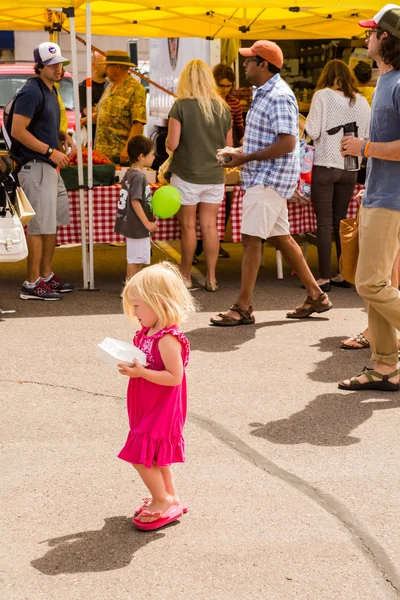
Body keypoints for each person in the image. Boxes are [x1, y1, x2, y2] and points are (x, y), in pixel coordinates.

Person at [210, 40, 332, 325]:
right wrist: (237, 153)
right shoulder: (266, 93)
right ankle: (316, 295)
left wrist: (243, 158)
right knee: (281, 237)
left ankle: (242, 307)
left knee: (252, 240)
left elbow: (288, 143)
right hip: (268, 179)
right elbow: (270, 141)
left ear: (263, 64)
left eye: (250, 60)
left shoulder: (277, 95)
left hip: (268, 180)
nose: (245, 65)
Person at [339, 4, 400, 391]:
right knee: (374, 283)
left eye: (372, 32)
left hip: (389, 198)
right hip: (379, 194)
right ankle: (384, 366)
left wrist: (365, 148)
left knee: (370, 284)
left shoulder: (396, 84)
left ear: (387, 39)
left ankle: (386, 364)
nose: (366, 37)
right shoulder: (386, 81)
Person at [117, 261, 196, 530]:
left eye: (138, 306)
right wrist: (133, 367)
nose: (134, 312)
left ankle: (161, 499)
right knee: (155, 456)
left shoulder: (168, 339)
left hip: (162, 407)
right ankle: (169, 497)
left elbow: (175, 377)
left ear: (158, 302)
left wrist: (142, 374)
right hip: (147, 402)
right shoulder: (147, 333)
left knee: (140, 455)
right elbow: (148, 363)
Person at [12, 42, 75, 301]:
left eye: (60, 63)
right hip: (37, 166)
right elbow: (18, 130)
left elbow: (38, 125)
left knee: (50, 224)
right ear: (39, 67)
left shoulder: (49, 89)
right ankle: (31, 283)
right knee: (39, 227)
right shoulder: (32, 91)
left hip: (47, 167)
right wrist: (51, 152)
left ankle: (45, 276)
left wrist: (61, 135)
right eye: (52, 65)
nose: (58, 68)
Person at [166, 59, 232, 291]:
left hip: (186, 174)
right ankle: (211, 277)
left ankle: (185, 275)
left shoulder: (180, 106)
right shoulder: (223, 108)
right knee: (210, 227)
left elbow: (172, 144)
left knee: (188, 227)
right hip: (214, 176)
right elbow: (229, 149)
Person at [305, 60, 371, 291]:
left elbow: (312, 130)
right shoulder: (362, 101)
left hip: (325, 165)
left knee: (323, 223)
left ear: (326, 76)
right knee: (341, 221)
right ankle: (344, 272)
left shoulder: (322, 95)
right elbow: (368, 135)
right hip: (350, 169)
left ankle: (323, 278)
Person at [193, 63, 244, 263]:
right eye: (221, 85)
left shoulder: (234, 103)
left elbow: (239, 129)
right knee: (201, 207)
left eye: (227, 86)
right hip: (205, 158)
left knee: (227, 202)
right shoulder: (204, 102)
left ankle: (216, 241)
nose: (224, 89)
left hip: (227, 157)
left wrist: (240, 148)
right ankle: (198, 246)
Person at [114, 135, 157, 280]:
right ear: (141, 156)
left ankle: (134, 287)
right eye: (152, 154)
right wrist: (147, 223)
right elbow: (135, 201)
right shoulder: (138, 177)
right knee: (135, 259)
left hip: (134, 224)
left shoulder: (129, 173)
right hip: (137, 225)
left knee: (138, 258)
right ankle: (130, 289)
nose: (154, 157)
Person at [94, 50, 146, 165]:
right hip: (101, 154)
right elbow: (101, 113)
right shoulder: (110, 87)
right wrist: (83, 121)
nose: (106, 69)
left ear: (117, 67)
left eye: (108, 66)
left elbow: (138, 124)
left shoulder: (136, 89)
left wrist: (128, 149)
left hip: (120, 156)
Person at [79, 51, 108, 140]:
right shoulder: (84, 87)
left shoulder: (110, 86)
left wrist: (96, 108)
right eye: (105, 64)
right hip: (91, 138)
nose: (109, 67)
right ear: (95, 67)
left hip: (107, 138)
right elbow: (88, 113)